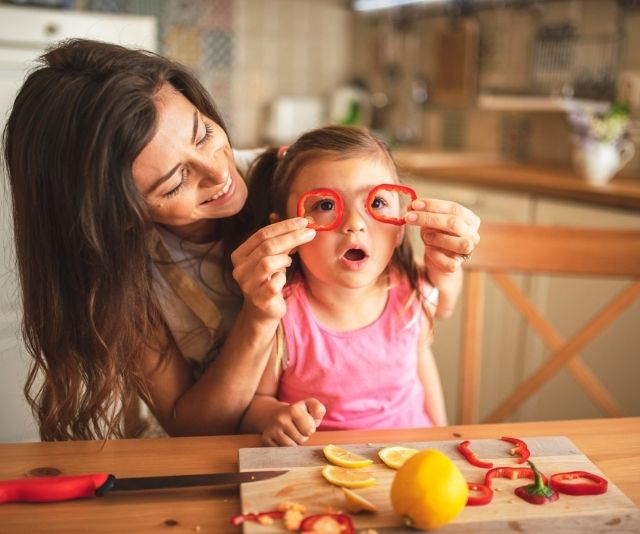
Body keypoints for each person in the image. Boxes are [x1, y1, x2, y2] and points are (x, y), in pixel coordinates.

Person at [3, 39, 479, 441]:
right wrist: (257, 319)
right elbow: (192, 428)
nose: (220, 175)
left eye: (205, 132)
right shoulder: (125, 280)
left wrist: (450, 257)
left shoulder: (292, 178)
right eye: (174, 183)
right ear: (121, 216)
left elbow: (424, 313)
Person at [240, 125, 474, 446]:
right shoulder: (280, 312)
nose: (354, 223)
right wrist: (271, 416)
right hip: (324, 469)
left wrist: (442, 437)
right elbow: (255, 402)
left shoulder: (410, 292)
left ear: (402, 226)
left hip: (411, 461)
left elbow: (426, 362)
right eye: (324, 205)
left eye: (377, 203)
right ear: (284, 232)